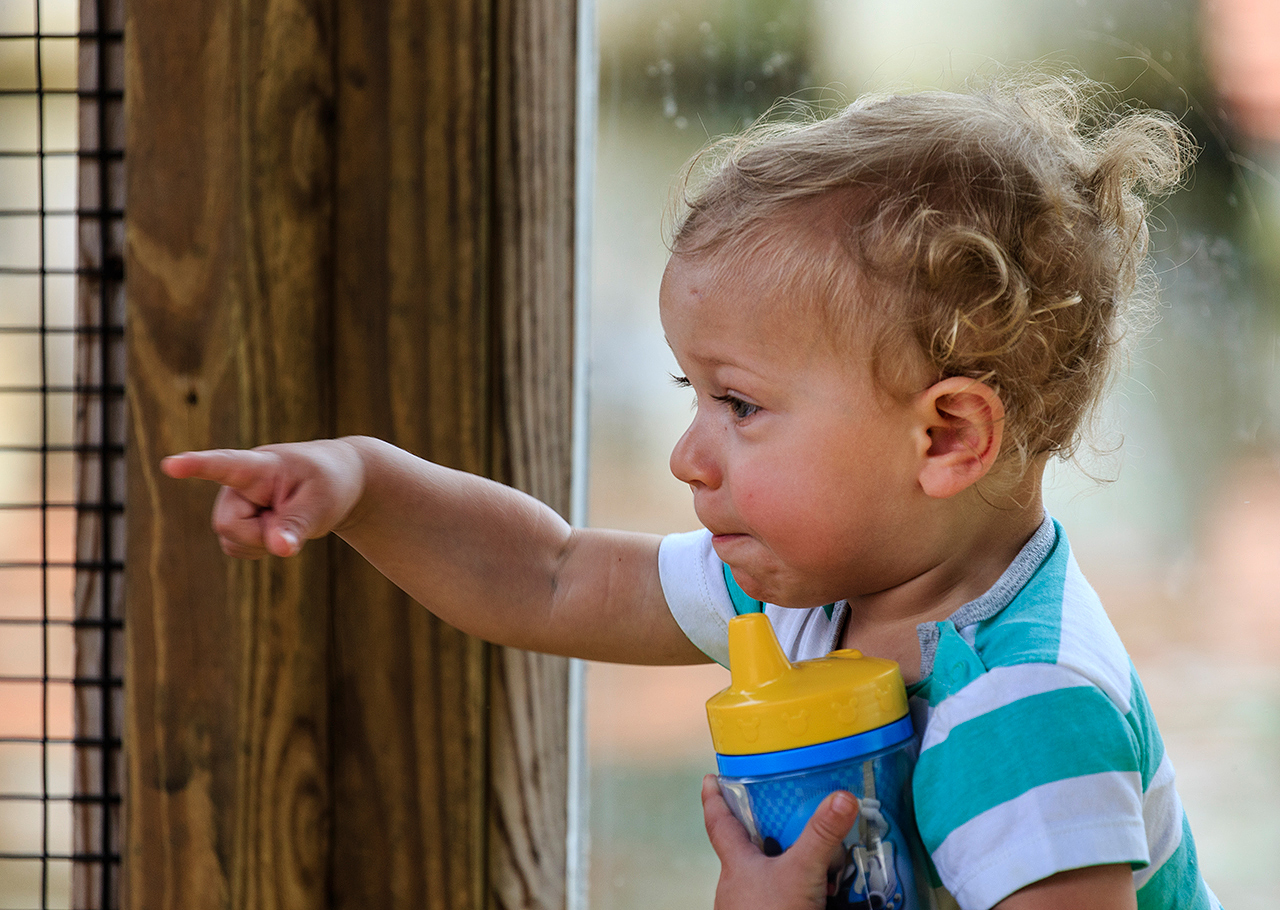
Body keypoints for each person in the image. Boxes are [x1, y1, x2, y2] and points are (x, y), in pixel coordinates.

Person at [161, 70, 1218, 909]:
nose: (687, 455)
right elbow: (549, 573)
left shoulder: (1021, 708)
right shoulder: (818, 583)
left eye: (739, 405)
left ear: (944, 437)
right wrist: (362, 482)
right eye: (692, 391)